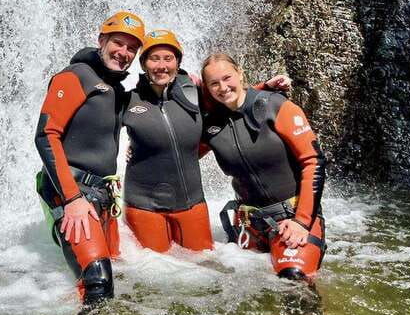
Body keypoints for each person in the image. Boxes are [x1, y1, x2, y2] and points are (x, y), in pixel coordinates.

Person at [122, 31, 292, 254]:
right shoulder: (128, 101)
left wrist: (264, 88)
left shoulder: (194, 93)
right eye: (154, 58)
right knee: (155, 276)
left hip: (192, 204)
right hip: (143, 205)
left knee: (205, 269)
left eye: (168, 58)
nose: (161, 65)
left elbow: (230, 96)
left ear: (178, 62)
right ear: (143, 63)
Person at [35, 10, 144, 305]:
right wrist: (72, 199)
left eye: (131, 48)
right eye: (117, 43)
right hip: (74, 193)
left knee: (114, 275)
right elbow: (46, 135)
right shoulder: (76, 76)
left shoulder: (116, 91)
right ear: (101, 40)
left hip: (102, 195)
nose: (123, 52)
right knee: (97, 282)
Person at [200, 53, 326, 280]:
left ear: (240, 73)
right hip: (248, 224)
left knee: (293, 281)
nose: (222, 87)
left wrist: (301, 222)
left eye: (227, 77)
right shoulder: (211, 125)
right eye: (214, 83)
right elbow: (178, 151)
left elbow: (313, 161)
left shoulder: (276, 106)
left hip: (291, 217)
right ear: (207, 89)